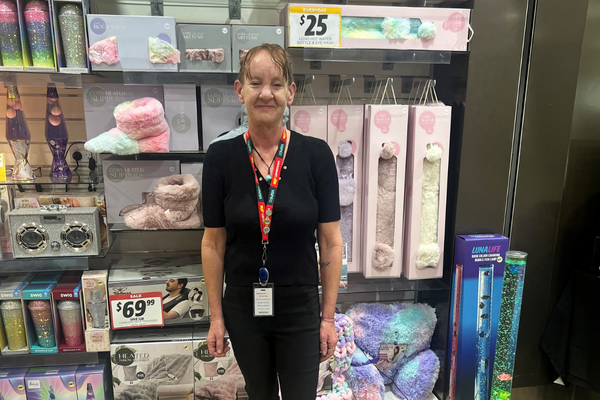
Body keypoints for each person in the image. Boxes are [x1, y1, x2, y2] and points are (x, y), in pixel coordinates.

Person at [201, 43, 343, 400]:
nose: (266, 93)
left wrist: (328, 318)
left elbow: (330, 242)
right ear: (240, 90)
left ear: (291, 93)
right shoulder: (220, 157)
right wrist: (216, 317)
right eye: (255, 83)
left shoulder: (317, 155)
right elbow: (213, 243)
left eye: (277, 84)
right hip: (244, 307)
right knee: (259, 393)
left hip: (300, 305)